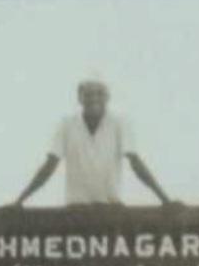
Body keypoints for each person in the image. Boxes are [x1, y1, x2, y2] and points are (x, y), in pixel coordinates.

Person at [14, 75, 172, 206]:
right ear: (80, 98)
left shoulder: (119, 124)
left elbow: (135, 162)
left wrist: (165, 199)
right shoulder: (67, 125)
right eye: (88, 94)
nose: (94, 98)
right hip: (76, 209)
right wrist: (20, 201)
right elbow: (50, 165)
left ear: (107, 98)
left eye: (99, 94)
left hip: (110, 207)